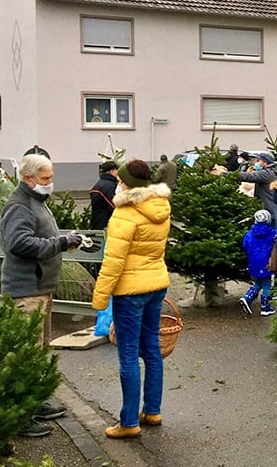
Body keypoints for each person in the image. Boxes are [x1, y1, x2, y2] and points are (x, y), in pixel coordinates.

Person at [0, 153, 81, 437]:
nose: (50, 183)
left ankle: (33, 403)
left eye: (51, 177)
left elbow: (41, 237)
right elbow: (19, 243)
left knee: (38, 351)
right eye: (45, 179)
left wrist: (64, 239)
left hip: (40, 289)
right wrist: (60, 242)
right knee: (24, 353)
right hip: (25, 292)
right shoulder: (20, 205)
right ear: (28, 178)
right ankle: (19, 416)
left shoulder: (37, 202)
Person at [90, 159, 172, 439]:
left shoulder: (124, 214)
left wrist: (100, 298)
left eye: (120, 180)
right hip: (156, 284)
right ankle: (152, 410)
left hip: (129, 291)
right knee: (151, 348)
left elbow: (113, 261)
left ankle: (128, 422)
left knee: (127, 355)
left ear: (125, 183)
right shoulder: (161, 207)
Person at [239, 209, 277, 317]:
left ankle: (247, 298)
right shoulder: (272, 233)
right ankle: (265, 306)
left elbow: (245, 245)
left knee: (259, 282)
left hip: (253, 262)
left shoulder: (249, 234)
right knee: (266, 283)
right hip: (266, 263)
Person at [237, 153, 277, 217]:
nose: (256, 163)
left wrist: (225, 174)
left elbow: (248, 176)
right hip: (275, 209)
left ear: (265, 162)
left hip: (269, 211)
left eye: (258, 161)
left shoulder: (265, 174)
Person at [90, 161, 119, 231]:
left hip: (97, 222)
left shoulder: (99, 184)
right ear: (112, 171)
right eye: (116, 170)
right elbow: (114, 205)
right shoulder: (109, 186)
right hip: (105, 224)